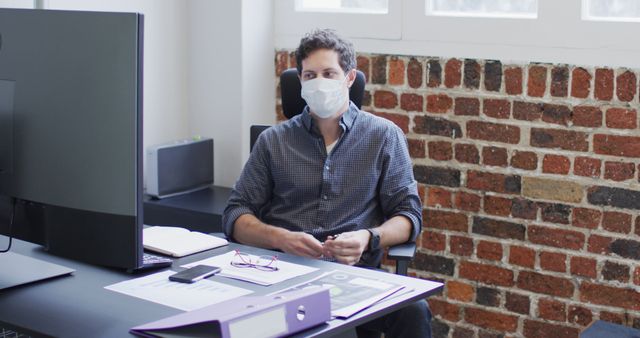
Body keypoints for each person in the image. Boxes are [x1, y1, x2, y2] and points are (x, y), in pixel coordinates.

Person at [222, 28, 431, 338]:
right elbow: (234, 215)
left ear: (349, 77)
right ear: (300, 81)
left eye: (329, 73)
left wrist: (367, 238)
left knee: (414, 311)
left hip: (353, 277)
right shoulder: (273, 141)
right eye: (310, 75)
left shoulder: (384, 136)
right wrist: (280, 238)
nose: (319, 82)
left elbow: (409, 216)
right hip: (281, 273)